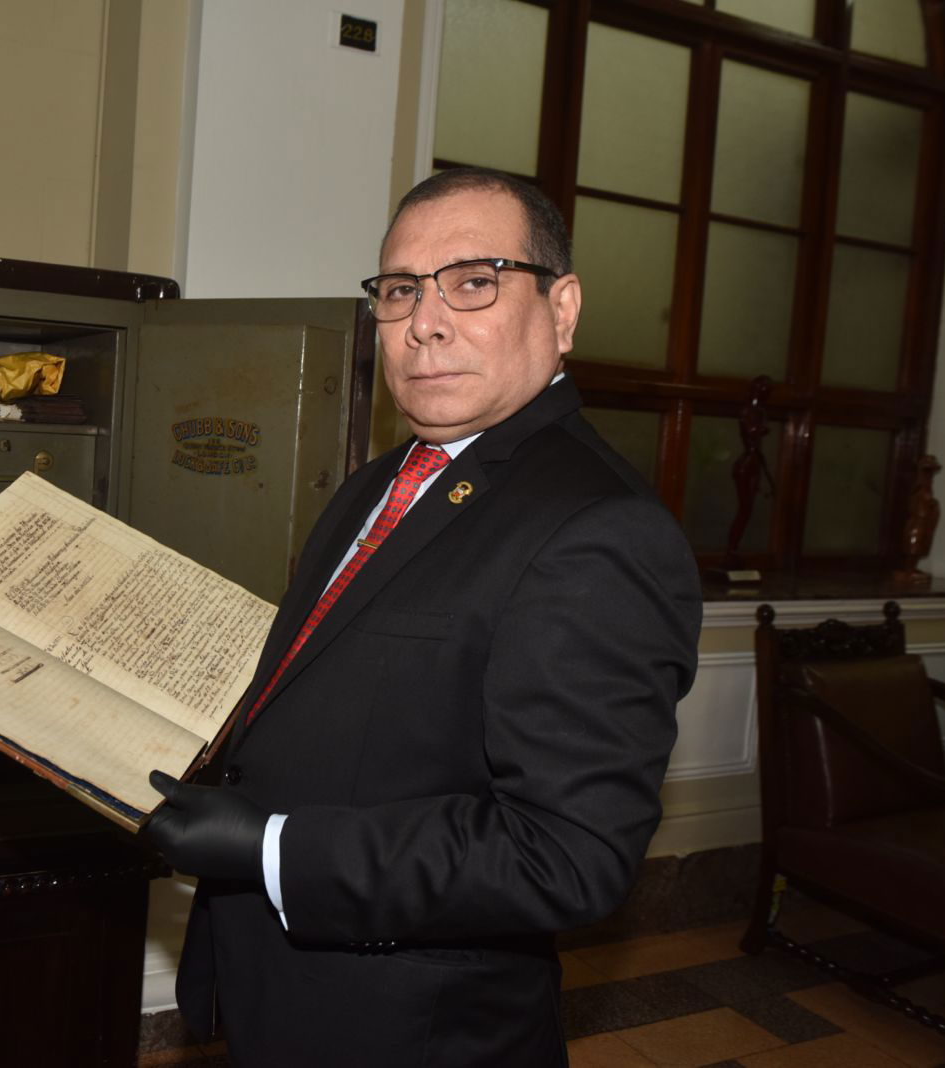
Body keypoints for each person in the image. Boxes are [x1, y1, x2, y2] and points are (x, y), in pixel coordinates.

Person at [143, 167, 702, 1066]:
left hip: (413, 1026)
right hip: (283, 984)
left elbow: (565, 853)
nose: (425, 321)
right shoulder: (382, 480)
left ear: (562, 310)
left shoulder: (602, 529)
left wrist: (278, 850)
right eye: (401, 290)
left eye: (475, 281)